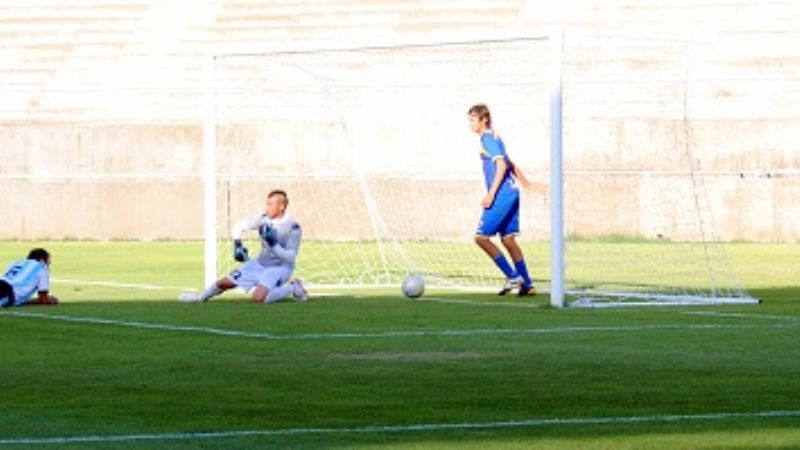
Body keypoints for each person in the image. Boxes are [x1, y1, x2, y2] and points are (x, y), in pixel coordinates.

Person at [179, 189, 308, 304]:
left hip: (279, 268)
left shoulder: (293, 227)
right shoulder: (263, 219)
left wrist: (273, 245)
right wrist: (237, 244)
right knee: (224, 283)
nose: (267, 208)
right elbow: (239, 226)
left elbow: (291, 257)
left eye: (270, 204)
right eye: (266, 204)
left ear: (281, 206)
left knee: (258, 298)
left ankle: (292, 287)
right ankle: (199, 298)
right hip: (260, 263)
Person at [468, 103, 537, 297]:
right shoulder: (495, 137)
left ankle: (513, 277)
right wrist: (526, 183)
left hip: (502, 194)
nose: (471, 124)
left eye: (473, 120)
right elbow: (509, 162)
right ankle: (527, 284)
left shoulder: (488, 138)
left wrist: (491, 194)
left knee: (481, 238)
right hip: (512, 192)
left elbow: (501, 165)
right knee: (508, 240)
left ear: (484, 119)